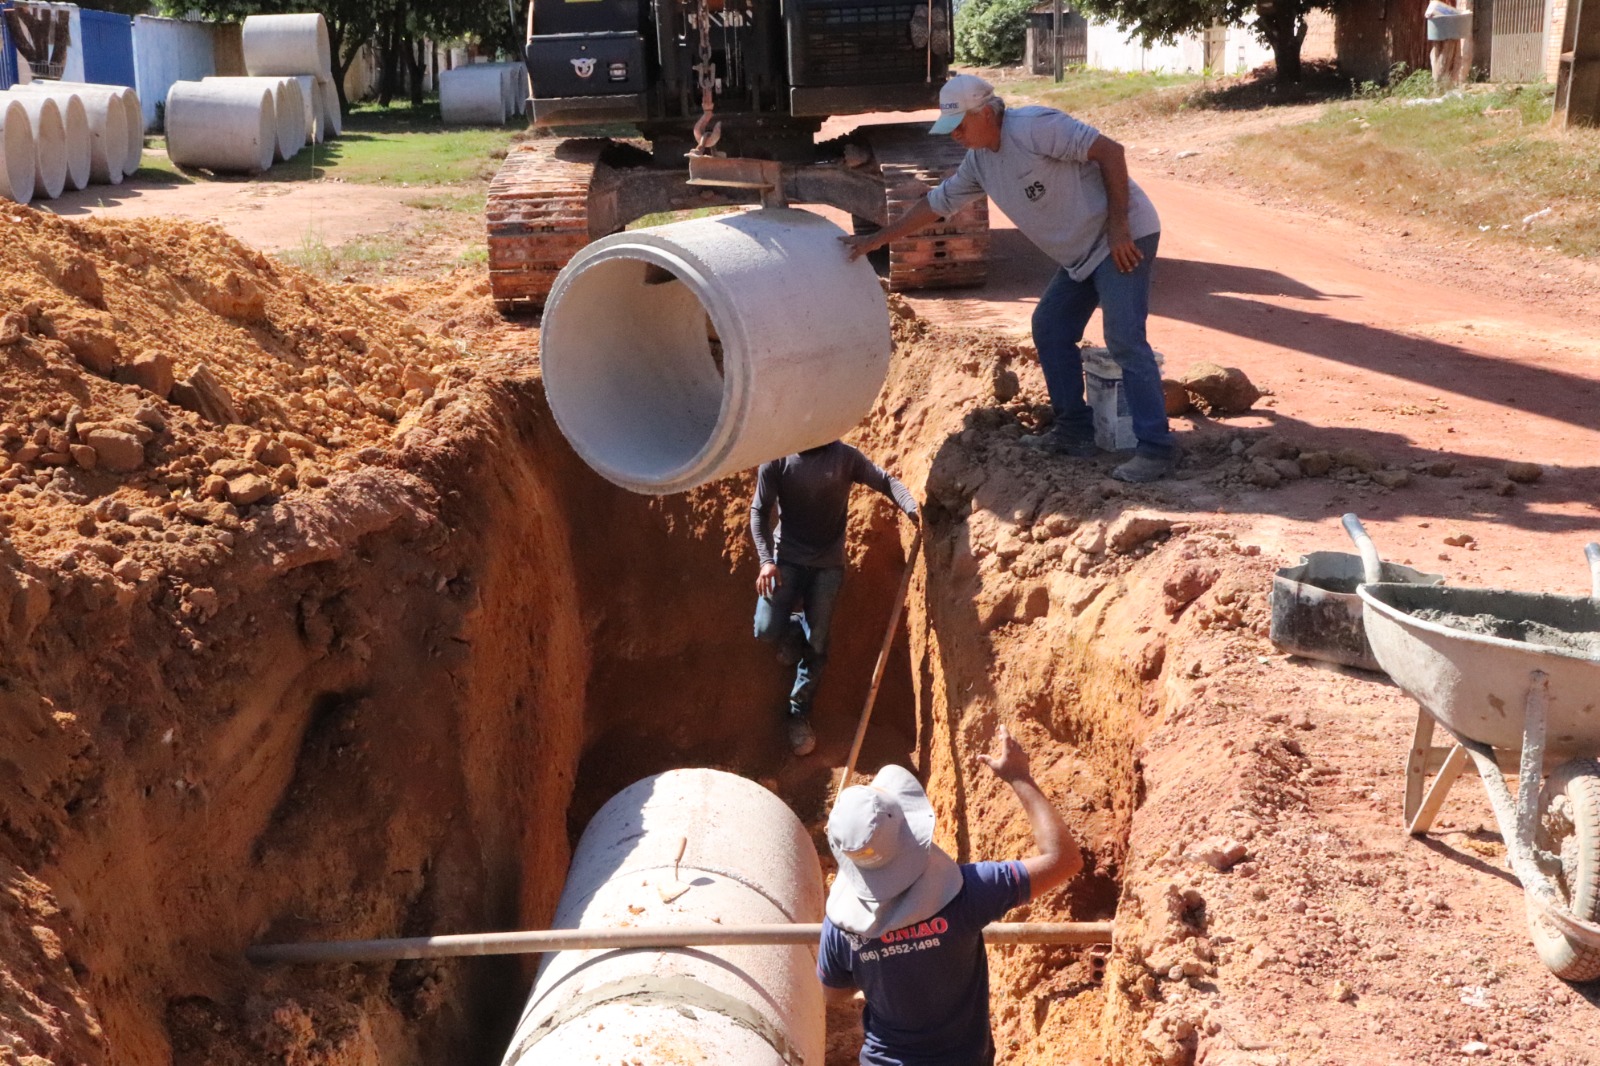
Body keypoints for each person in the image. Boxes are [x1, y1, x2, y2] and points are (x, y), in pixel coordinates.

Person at [843, 74, 1175, 483]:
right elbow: (935, 204)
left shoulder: (1036, 127)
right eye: (950, 130)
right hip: (1082, 255)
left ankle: (1156, 450)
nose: (956, 137)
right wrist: (876, 239)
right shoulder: (979, 162)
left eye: (961, 126)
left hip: (1122, 238)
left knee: (1123, 336)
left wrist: (1119, 227)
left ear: (986, 113)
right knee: (1051, 327)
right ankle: (1074, 432)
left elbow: (1111, 152)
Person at [817, 726, 1083, 1065]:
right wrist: (1019, 777)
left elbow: (834, 992)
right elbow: (1064, 859)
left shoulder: (841, 927)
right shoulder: (967, 893)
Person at [750, 440, 919, 756]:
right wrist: (766, 561)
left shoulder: (846, 457)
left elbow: (885, 481)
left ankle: (797, 714)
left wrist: (911, 505)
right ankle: (794, 628)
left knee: (817, 645)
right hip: (785, 559)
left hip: (827, 565)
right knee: (764, 629)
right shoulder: (776, 458)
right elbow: (759, 511)